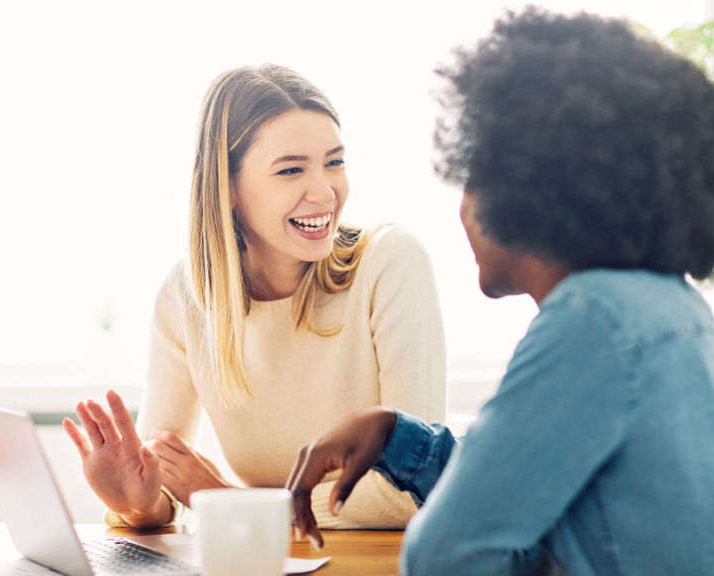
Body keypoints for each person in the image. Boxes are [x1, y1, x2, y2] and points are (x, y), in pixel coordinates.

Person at [287, 9, 714, 575]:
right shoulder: (667, 312)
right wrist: (393, 435)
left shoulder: (593, 324)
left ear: (528, 188)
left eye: (473, 174)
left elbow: (443, 556)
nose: (462, 206)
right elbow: (529, 496)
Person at [62, 64, 447, 531]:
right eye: (291, 170)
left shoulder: (390, 263)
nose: (325, 192)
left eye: (335, 161)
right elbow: (167, 482)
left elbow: (411, 489)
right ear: (227, 189)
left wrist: (231, 502)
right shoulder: (187, 298)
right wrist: (140, 503)